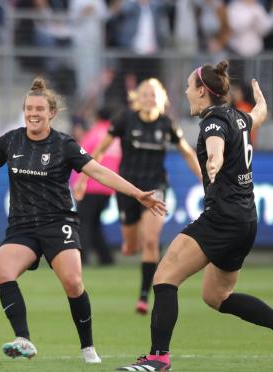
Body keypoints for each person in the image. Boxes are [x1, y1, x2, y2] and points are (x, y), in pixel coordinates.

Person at [0, 76, 166, 364]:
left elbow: (98, 172)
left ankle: (88, 347)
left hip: (58, 222)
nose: (33, 114)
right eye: (29, 108)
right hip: (23, 226)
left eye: (39, 109)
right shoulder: (12, 139)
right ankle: (23, 339)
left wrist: (137, 193)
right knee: (3, 270)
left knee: (73, 283)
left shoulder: (64, 144)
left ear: (51, 113)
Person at [116, 61, 273, 372]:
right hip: (246, 221)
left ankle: (157, 358)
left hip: (223, 218)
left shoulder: (213, 122)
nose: (185, 92)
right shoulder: (239, 117)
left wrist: (214, 161)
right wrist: (261, 102)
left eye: (189, 87)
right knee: (216, 295)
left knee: (164, 276)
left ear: (203, 91)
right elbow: (259, 115)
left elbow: (215, 145)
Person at [75, 78, 201, 314]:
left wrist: (205, 180)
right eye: (145, 94)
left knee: (151, 241)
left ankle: (144, 296)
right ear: (137, 98)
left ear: (161, 99)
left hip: (155, 188)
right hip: (128, 189)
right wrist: (83, 178)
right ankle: (134, 245)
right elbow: (100, 149)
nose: (149, 98)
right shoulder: (124, 119)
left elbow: (187, 153)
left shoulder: (167, 125)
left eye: (154, 94)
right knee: (130, 247)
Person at [71, 107, 121, 266]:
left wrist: (78, 182)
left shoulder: (93, 133)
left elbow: (82, 158)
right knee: (93, 223)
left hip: (90, 185)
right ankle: (106, 257)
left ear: (98, 117)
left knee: (84, 222)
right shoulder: (115, 136)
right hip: (107, 187)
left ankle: (82, 257)